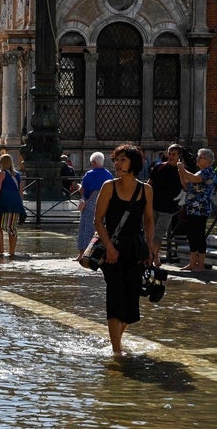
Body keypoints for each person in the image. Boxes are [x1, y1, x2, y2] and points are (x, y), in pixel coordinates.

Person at [94, 144, 154, 355]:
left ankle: (116, 338)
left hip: (135, 249)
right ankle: (117, 350)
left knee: (131, 301)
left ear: (134, 163)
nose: (117, 164)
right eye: (116, 160)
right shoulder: (109, 186)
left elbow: (148, 220)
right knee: (115, 295)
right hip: (113, 249)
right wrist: (109, 247)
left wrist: (150, 247)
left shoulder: (145, 189)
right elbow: (98, 221)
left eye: (123, 160)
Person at [177, 148, 216, 272]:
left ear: (208, 161)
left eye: (201, 157)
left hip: (201, 208)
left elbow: (193, 179)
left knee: (199, 235)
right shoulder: (200, 172)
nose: (197, 159)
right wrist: (180, 172)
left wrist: (183, 169)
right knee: (191, 235)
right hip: (192, 208)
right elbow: (186, 185)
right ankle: (192, 263)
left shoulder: (208, 172)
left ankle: (201, 264)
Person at [146, 144, 185, 266]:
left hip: (168, 208)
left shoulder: (182, 170)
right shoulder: (159, 167)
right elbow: (149, 183)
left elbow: (186, 187)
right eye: (169, 153)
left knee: (158, 235)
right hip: (153, 204)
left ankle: (150, 259)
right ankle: (155, 258)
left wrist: (182, 172)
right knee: (149, 232)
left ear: (179, 156)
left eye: (174, 154)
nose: (171, 156)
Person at [76, 152, 114, 261]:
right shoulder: (109, 175)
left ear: (94, 162)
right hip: (105, 205)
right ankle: (99, 253)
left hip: (91, 204)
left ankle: (83, 254)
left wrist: (78, 186)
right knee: (102, 229)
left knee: (86, 228)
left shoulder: (89, 174)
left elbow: (84, 191)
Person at [0, 154, 23, 256]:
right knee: (12, 227)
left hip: (3, 203)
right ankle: (11, 251)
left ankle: (1, 248)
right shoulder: (17, 174)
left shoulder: (1, 174)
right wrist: (20, 203)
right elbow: (20, 191)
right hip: (15, 203)